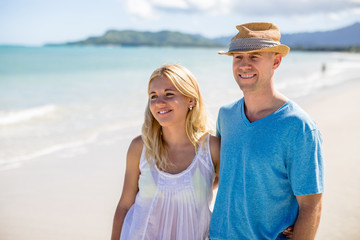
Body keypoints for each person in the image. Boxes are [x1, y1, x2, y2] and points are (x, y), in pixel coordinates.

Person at [209, 22, 324, 239]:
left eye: (254, 56)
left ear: (276, 61)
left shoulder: (299, 127)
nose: (244, 65)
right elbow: (221, 176)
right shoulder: (226, 115)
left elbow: (311, 205)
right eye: (238, 57)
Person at [111, 64, 221, 240]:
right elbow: (124, 205)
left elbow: (233, 194)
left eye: (169, 94)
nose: (159, 102)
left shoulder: (212, 149)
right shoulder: (140, 147)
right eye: (153, 96)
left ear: (191, 100)